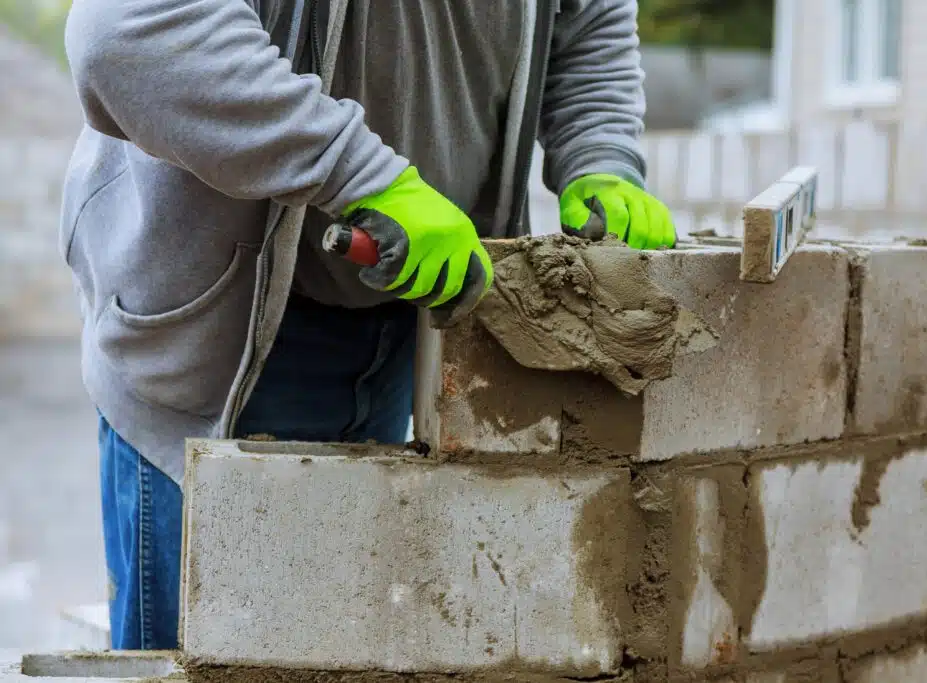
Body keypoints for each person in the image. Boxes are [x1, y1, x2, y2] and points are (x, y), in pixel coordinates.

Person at [61, 0, 676, 651]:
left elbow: (586, 17)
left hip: (404, 327)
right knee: (214, 652)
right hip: (224, 339)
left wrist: (601, 153)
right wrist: (359, 175)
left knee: (333, 645)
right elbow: (125, 33)